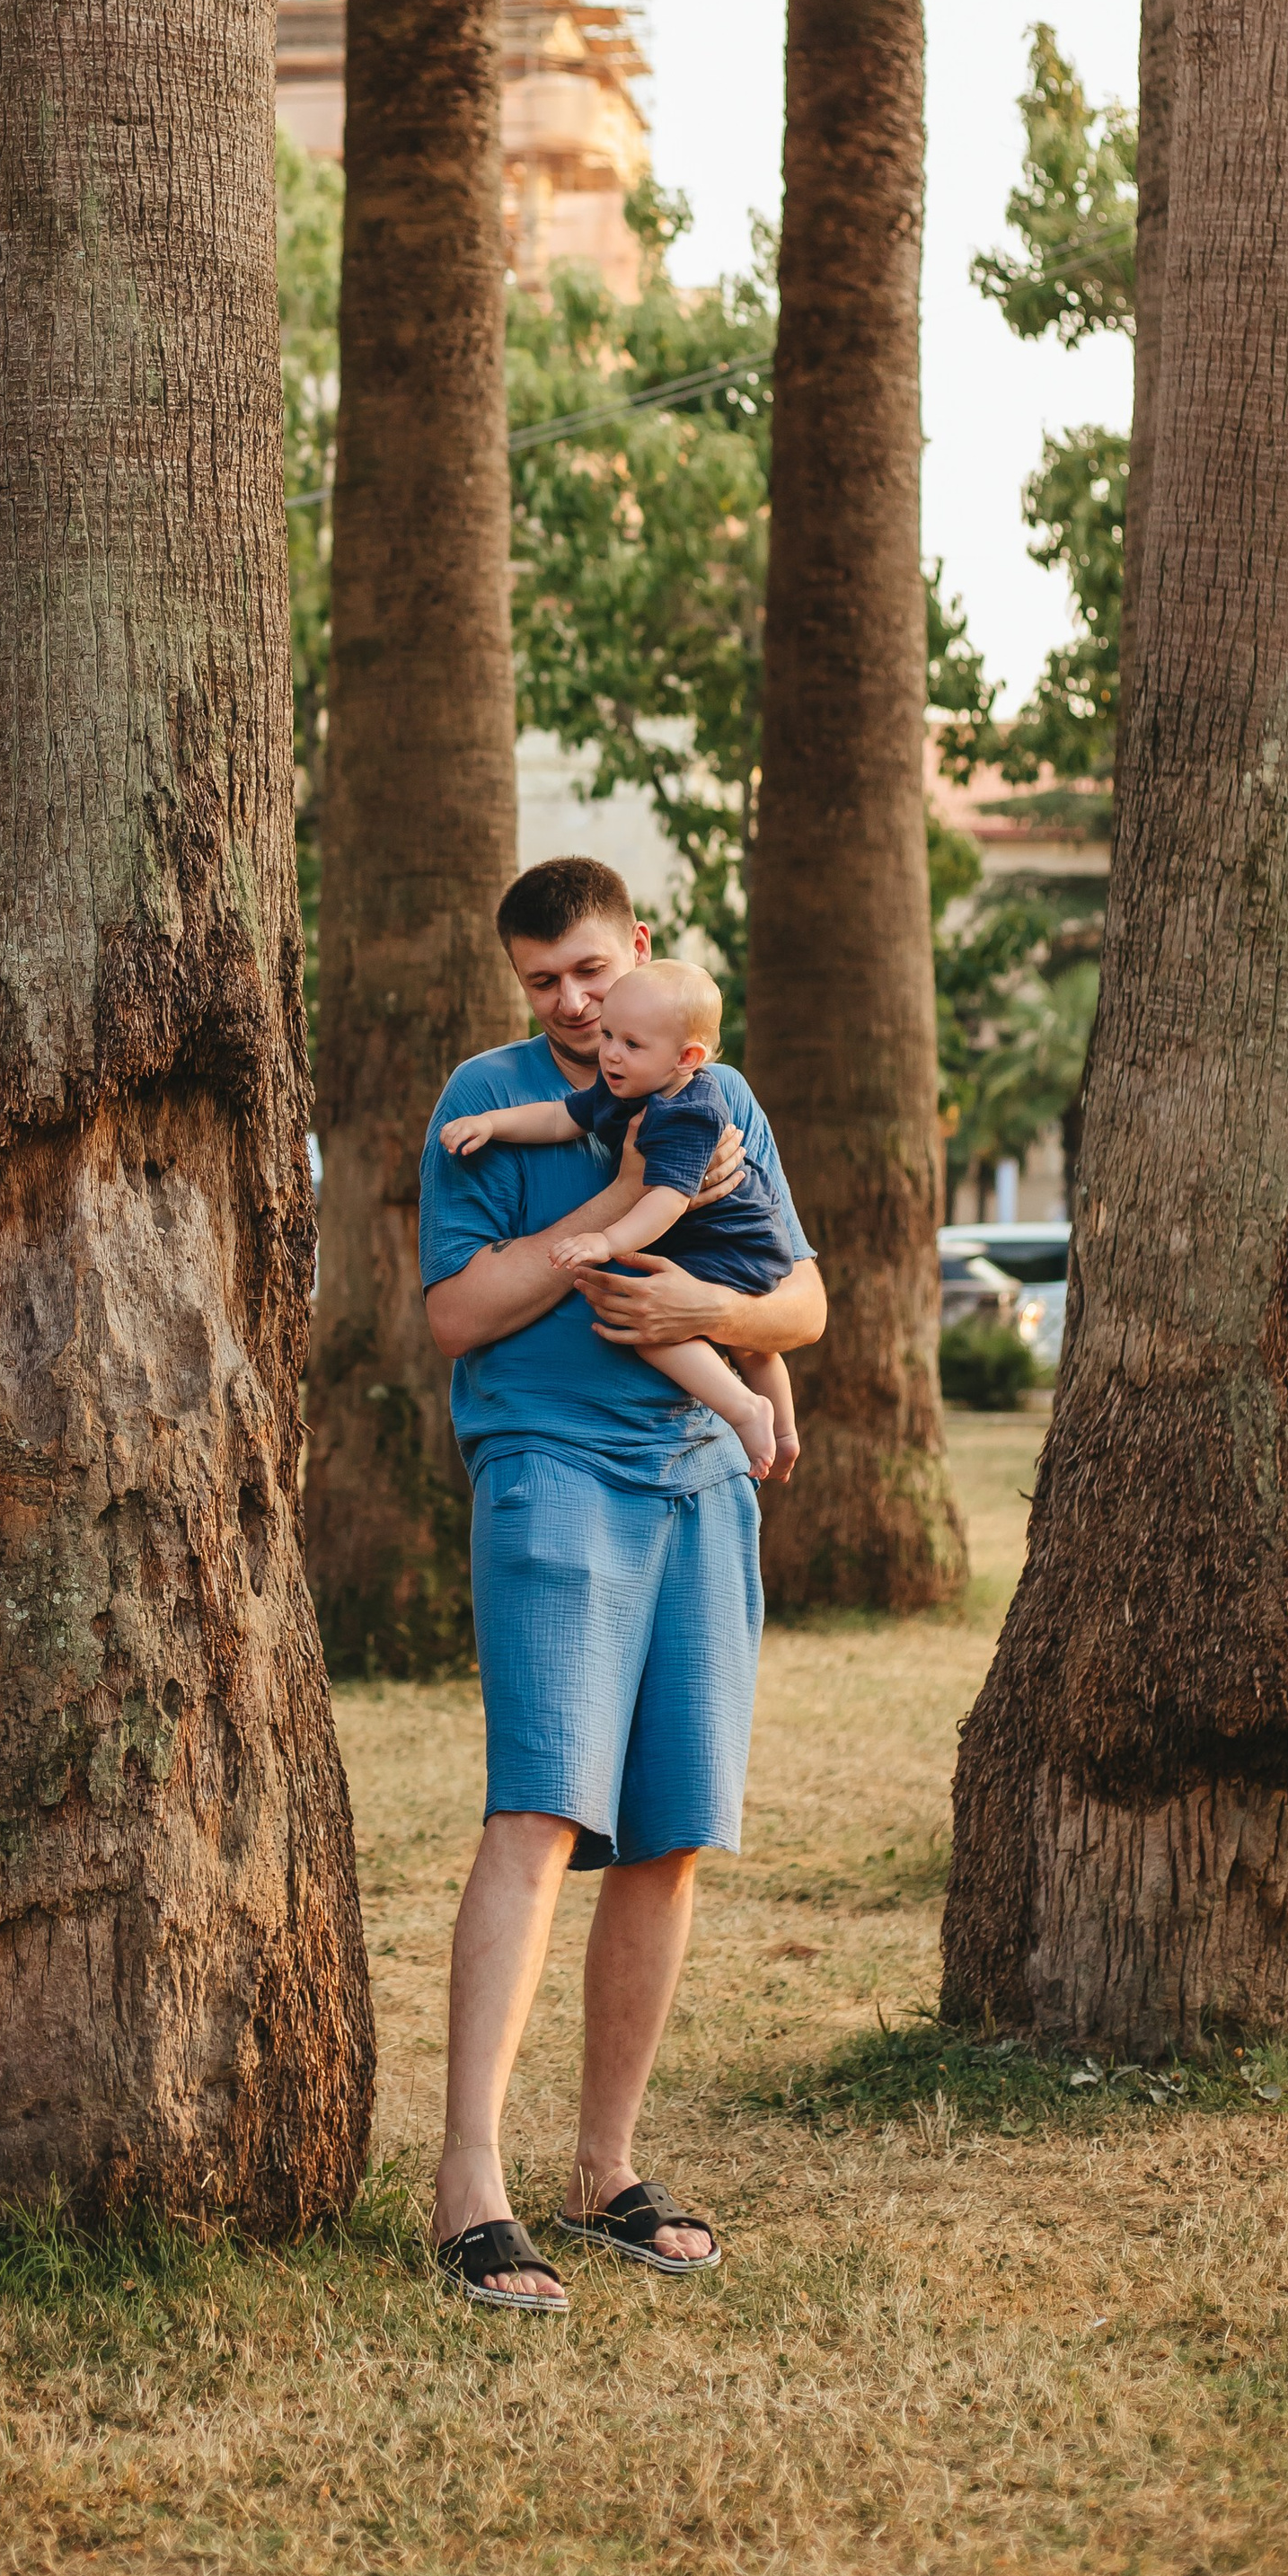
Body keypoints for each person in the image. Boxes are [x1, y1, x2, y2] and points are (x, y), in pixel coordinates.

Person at [420, 860, 825, 2310]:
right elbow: (458, 1312)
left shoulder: (717, 1088)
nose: (575, 1004)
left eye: (593, 971)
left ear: (637, 950)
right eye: (544, 983)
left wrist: (706, 1307)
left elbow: (801, 1299)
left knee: (670, 1835)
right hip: (550, 1470)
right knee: (539, 1811)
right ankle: (470, 2184)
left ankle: (605, 2171)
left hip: (701, 1485)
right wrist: (605, 1214)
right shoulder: (489, 1100)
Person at [437, 958, 799, 1482]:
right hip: (702, 1236)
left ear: (686, 1058)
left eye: (631, 1044)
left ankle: (745, 1409)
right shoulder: (625, 1083)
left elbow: (667, 1200)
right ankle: (783, 1433)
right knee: (749, 1346)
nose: (610, 1052)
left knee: (650, 1325)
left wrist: (606, 1241)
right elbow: (561, 1117)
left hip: (728, 1238)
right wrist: (492, 1123)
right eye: (609, 1035)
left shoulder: (689, 1112)